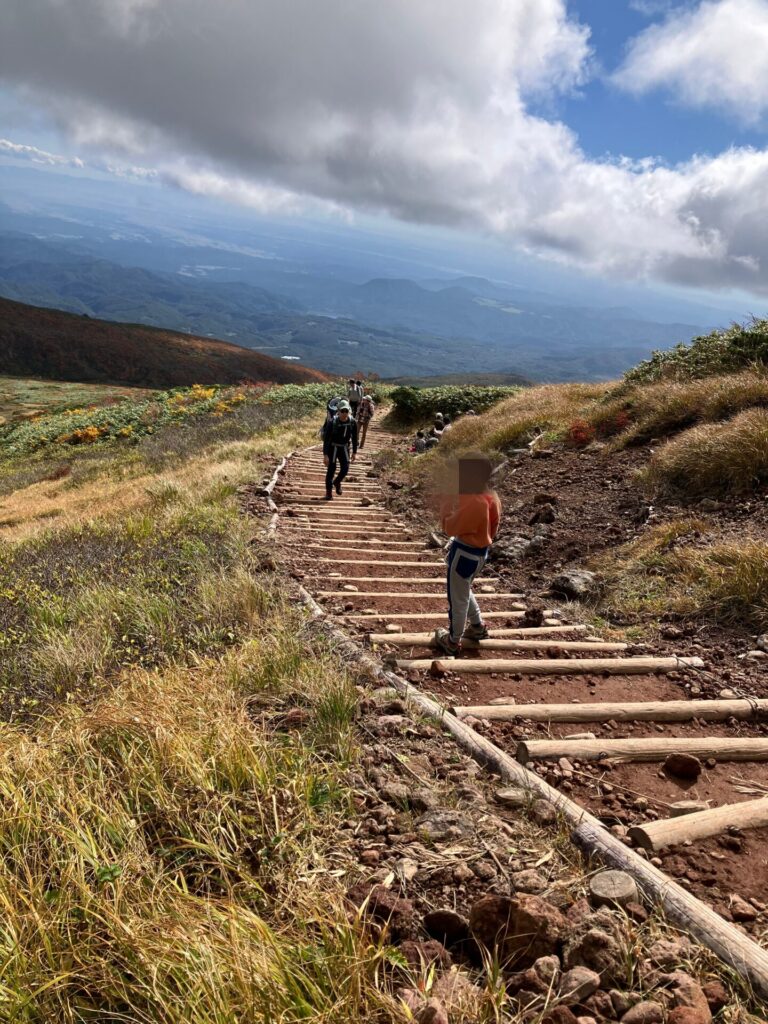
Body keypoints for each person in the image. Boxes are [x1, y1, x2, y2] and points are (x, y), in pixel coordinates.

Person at [433, 453, 501, 656]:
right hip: (481, 553)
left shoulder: (475, 502)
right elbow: (494, 527)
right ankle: (478, 626)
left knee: (457, 599)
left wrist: (445, 507)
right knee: (464, 589)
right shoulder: (492, 497)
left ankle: (452, 641)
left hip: (464, 553)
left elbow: (450, 528)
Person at [322, 399, 358, 499]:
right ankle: (328, 493)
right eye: (342, 411)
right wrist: (325, 455)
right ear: (338, 411)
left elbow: (355, 438)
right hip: (332, 448)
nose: (344, 413)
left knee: (345, 469)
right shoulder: (332, 422)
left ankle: (337, 482)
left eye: (346, 411)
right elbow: (326, 439)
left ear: (349, 411)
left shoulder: (352, 422)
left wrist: (354, 452)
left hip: (344, 447)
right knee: (331, 470)